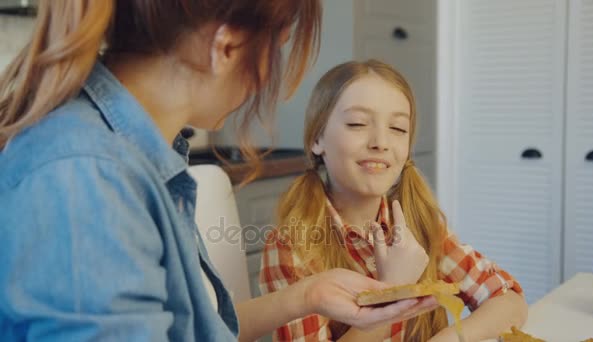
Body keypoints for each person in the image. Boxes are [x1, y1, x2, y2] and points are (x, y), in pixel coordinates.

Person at [0, 2, 436, 341]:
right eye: (277, 48)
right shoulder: (88, 178)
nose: (268, 77)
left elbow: (191, 329)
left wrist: (307, 295)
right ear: (226, 47)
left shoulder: (140, 158)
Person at [259, 60, 529, 341]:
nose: (381, 142)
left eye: (398, 128)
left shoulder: (420, 225)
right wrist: (394, 292)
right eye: (357, 123)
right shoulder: (292, 247)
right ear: (317, 139)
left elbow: (507, 298)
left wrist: (449, 339)